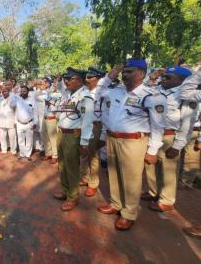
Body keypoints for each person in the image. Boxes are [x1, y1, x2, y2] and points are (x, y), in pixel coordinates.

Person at [97, 60, 166, 231]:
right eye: (124, 71)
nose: (125, 74)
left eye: (130, 71)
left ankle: (128, 213)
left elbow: (158, 125)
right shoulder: (116, 92)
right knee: (113, 174)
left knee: (132, 179)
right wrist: (108, 77)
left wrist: (153, 150)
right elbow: (97, 94)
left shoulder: (151, 95)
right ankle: (115, 203)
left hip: (134, 141)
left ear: (141, 74)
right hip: (112, 138)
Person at [142, 67, 196, 212]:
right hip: (153, 134)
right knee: (151, 166)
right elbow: (144, 88)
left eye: (168, 77)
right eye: (163, 77)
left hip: (170, 136)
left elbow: (187, 122)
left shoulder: (185, 95)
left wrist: (177, 145)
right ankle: (154, 192)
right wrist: (153, 77)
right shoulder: (157, 90)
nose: (163, 79)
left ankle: (166, 200)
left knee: (168, 169)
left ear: (181, 80)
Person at [53, 68, 94, 212]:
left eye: (70, 79)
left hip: (73, 136)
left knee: (71, 168)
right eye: (66, 79)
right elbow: (59, 87)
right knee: (62, 165)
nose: (67, 81)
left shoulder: (85, 97)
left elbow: (87, 122)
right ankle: (65, 190)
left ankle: (73, 197)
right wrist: (59, 79)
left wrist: (84, 143)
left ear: (80, 80)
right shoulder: (69, 94)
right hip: (62, 133)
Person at [178, 71, 201, 239]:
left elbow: (185, 91)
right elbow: (185, 92)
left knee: (191, 159)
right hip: (188, 128)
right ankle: (184, 181)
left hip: (196, 131)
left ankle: (186, 182)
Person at [80, 67, 106, 197]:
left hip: (95, 125)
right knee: (83, 152)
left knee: (93, 155)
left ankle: (93, 183)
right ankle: (85, 177)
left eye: (90, 77)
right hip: (83, 124)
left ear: (98, 79)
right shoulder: (84, 91)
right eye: (86, 77)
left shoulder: (101, 93)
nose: (87, 79)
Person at [37, 77, 62, 164]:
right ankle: (48, 153)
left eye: (55, 84)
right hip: (45, 118)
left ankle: (55, 155)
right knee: (44, 136)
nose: (54, 85)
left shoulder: (58, 95)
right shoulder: (47, 93)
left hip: (52, 118)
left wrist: (50, 103)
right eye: (53, 84)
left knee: (53, 138)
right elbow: (36, 96)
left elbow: (56, 109)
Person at [12, 85, 38, 160]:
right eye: (21, 91)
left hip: (29, 123)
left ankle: (28, 155)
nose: (22, 93)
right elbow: (12, 105)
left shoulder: (32, 100)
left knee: (29, 140)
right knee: (20, 140)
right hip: (19, 123)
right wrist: (13, 93)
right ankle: (22, 154)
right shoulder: (17, 99)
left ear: (27, 92)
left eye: (24, 91)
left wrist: (35, 123)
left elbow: (35, 113)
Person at [0, 86, 17, 155]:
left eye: (5, 91)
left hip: (11, 121)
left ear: (8, 92)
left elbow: (14, 107)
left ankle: (13, 150)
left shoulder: (13, 98)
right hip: (2, 121)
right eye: (3, 91)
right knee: (2, 137)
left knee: (12, 137)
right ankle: (4, 149)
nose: (4, 93)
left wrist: (11, 97)